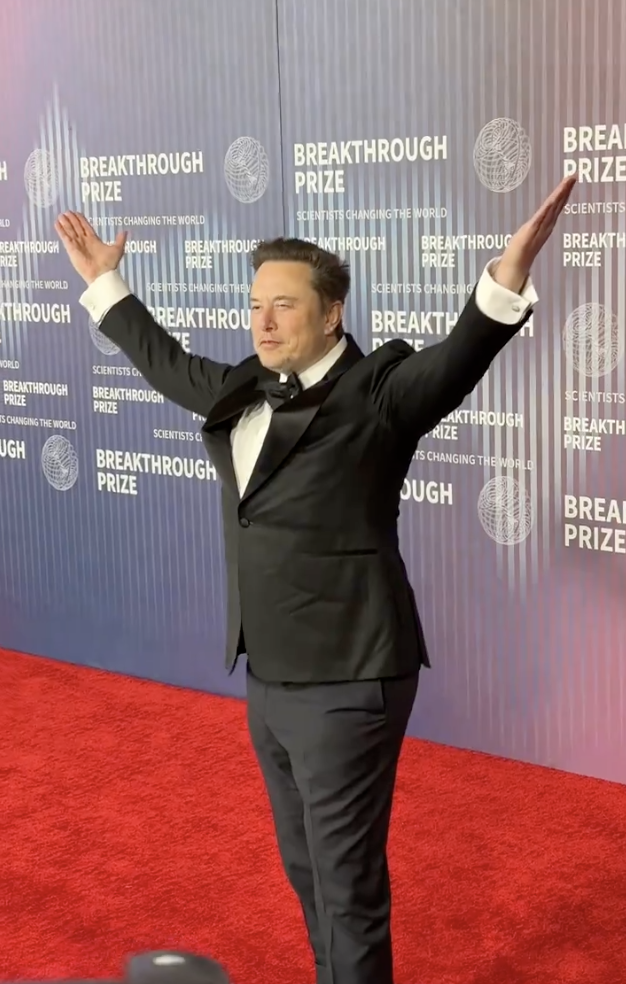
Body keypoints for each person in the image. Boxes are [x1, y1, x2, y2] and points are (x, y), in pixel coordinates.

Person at [55, 174, 575, 984]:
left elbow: (455, 359)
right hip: (271, 674)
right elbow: (164, 363)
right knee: (308, 876)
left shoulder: (380, 393)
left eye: (284, 305)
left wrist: (503, 281)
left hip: (349, 674)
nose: (262, 320)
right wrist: (106, 285)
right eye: (256, 303)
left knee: (347, 887)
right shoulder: (240, 389)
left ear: (331, 313)